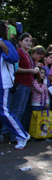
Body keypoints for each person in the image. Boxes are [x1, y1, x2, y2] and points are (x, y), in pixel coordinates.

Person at [0, 21, 30, 149]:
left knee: (4, 112)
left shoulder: (6, 43)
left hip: (3, 83)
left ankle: (22, 135)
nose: (8, 30)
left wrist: (2, 45)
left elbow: (13, 58)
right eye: (6, 28)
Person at [8, 33, 39, 139]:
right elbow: (15, 69)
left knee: (22, 110)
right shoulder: (18, 53)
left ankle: (19, 134)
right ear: (20, 42)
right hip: (20, 83)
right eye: (26, 41)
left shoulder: (28, 55)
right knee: (17, 109)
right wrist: (31, 70)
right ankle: (14, 136)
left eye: (30, 41)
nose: (29, 43)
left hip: (27, 84)